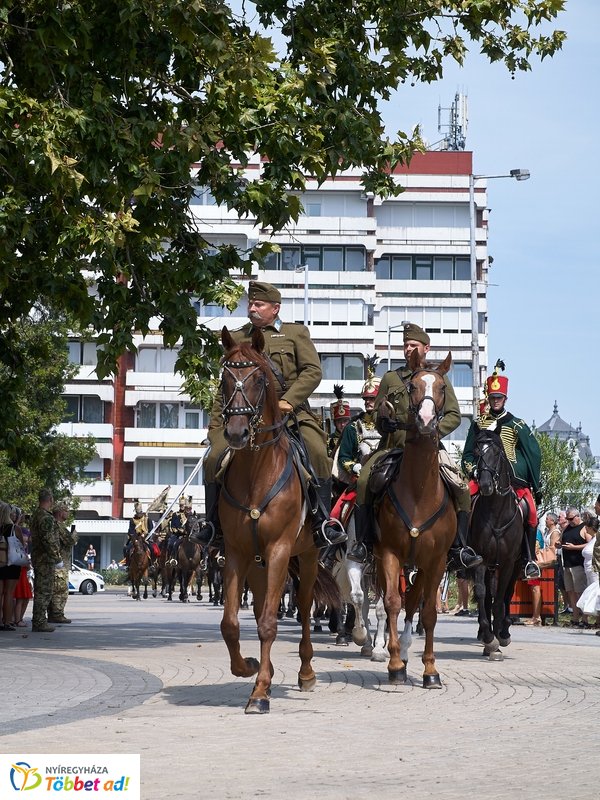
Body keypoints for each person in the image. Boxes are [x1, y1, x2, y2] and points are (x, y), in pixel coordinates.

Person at [191, 280, 346, 551]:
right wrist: (215, 428)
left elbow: (312, 371)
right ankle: (213, 525)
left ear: (275, 308)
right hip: (245, 416)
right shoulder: (238, 337)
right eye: (251, 303)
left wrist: (288, 401)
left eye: (259, 304)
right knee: (213, 457)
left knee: (318, 452)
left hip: (292, 414)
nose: (252, 308)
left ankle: (322, 523)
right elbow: (226, 386)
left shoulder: (295, 333)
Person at [348, 322, 482, 570]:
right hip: (393, 447)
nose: (409, 349)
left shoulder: (438, 378)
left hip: (430, 449)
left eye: (414, 345)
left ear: (426, 348)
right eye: (406, 345)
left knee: (462, 487)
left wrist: (433, 432)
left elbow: (454, 415)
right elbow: (377, 413)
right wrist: (383, 422)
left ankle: (459, 548)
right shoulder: (391, 378)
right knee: (364, 479)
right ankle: (364, 543)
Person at [462, 366, 542, 580]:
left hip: (512, 481)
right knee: (461, 502)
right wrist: (473, 470)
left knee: (531, 511)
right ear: (488, 398)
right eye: (493, 397)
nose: (495, 401)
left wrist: (534, 482)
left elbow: (533, 453)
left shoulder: (517, 424)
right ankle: (462, 551)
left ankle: (529, 559)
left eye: (499, 397)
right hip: (483, 476)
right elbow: (468, 453)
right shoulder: (479, 424)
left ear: (505, 398)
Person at [30, 488, 62, 633]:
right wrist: (57, 557)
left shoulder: (36, 515)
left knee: (40, 590)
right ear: (50, 500)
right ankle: (39, 622)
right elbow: (48, 540)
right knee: (44, 591)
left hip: (38, 556)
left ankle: (38, 620)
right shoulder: (45, 517)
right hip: (45, 559)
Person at [560, 507, 592, 626]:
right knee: (570, 591)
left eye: (571, 519)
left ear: (577, 516)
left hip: (578, 564)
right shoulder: (567, 528)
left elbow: (590, 544)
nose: (569, 521)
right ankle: (575, 617)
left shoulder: (584, 527)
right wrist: (559, 544)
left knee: (580, 592)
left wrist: (574, 547)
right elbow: (560, 540)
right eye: (567, 519)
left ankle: (585, 618)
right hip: (567, 564)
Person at [48, 503, 78, 624]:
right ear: (61, 513)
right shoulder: (59, 526)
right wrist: (74, 535)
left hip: (56, 562)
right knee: (60, 590)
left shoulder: (53, 525)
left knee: (55, 589)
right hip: (60, 563)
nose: (68, 513)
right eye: (66, 511)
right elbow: (69, 541)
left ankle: (53, 614)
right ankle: (57, 614)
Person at [0, 500, 25, 631]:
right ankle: (7, 621)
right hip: (12, 563)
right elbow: (22, 546)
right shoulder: (15, 529)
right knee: (9, 593)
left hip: (0, 562)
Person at [13, 510, 33, 627]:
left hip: (24, 568)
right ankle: (17, 619)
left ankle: (19, 618)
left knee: (25, 597)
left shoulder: (24, 531)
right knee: (19, 597)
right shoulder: (13, 529)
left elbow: (30, 539)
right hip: (19, 567)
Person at [327, 384, 352, 459]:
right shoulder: (329, 440)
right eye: (339, 422)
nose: (342, 424)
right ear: (335, 423)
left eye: (345, 421)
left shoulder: (354, 438)